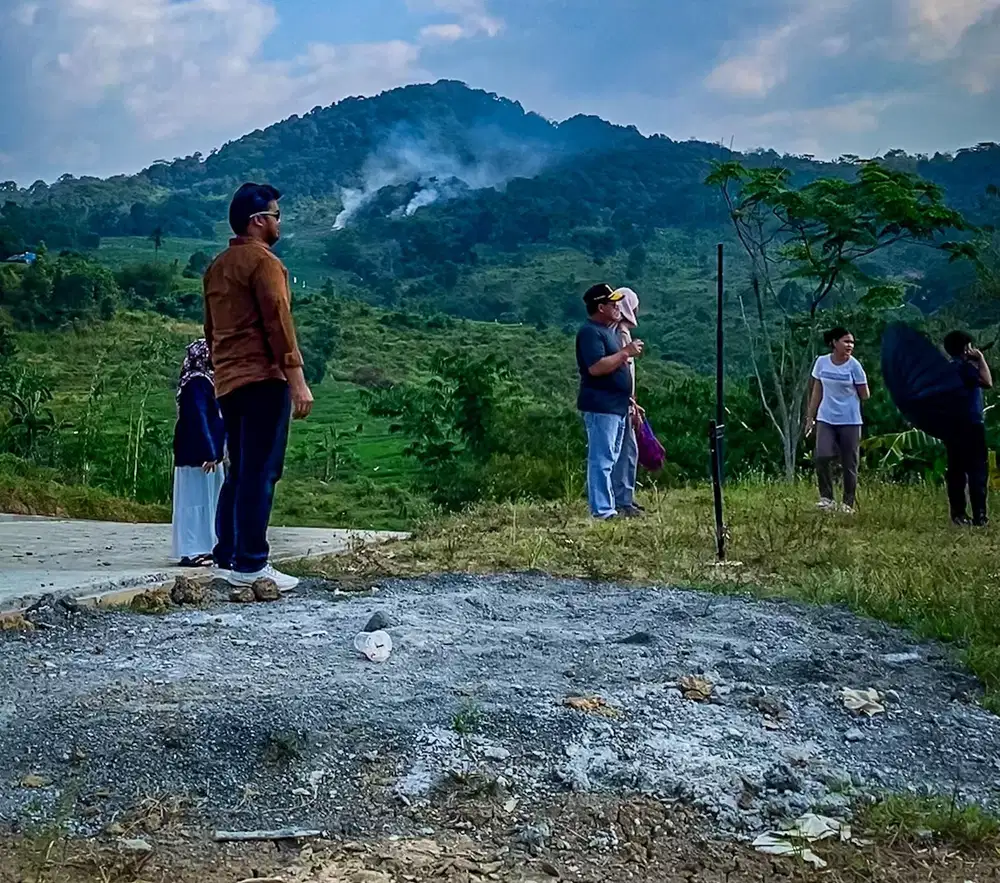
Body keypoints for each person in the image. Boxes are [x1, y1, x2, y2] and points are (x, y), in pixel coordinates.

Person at [203, 182, 314, 591]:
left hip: (228, 381)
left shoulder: (217, 266)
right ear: (258, 221)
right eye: (276, 215)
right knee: (261, 471)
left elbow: (210, 330)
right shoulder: (264, 264)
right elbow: (278, 323)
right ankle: (251, 564)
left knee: (240, 470)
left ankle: (227, 555)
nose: (279, 222)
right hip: (264, 378)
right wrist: (297, 380)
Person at [576, 283, 644, 519]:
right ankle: (603, 510)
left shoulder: (606, 331)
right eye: (612, 303)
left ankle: (610, 505)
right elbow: (596, 367)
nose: (618, 307)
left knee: (612, 457)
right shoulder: (590, 333)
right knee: (602, 459)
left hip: (616, 405)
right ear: (601, 307)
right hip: (601, 406)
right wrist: (625, 352)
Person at [171, 338, 226, 567]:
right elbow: (199, 418)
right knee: (196, 500)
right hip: (198, 454)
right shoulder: (196, 384)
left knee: (206, 499)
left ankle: (205, 547)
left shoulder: (204, 382)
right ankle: (193, 550)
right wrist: (210, 451)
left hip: (203, 452)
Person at [805, 327, 870, 513]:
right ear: (834, 342)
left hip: (850, 420)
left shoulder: (855, 366)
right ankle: (826, 498)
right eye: (846, 341)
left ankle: (848, 503)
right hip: (826, 417)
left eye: (852, 342)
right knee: (822, 455)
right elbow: (817, 391)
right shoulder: (822, 362)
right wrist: (811, 417)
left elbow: (865, 394)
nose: (850, 345)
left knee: (849, 461)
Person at [943, 330, 992, 526]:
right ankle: (980, 514)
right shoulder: (966, 369)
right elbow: (987, 382)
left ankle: (958, 514)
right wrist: (980, 359)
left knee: (956, 471)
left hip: (952, 425)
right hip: (971, 424)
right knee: (977, 471)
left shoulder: (945, 370)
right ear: (966, 349)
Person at [610, 287, 646, 516]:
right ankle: (621, 501)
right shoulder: (619, 335)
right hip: (620, 402)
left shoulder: (619, 332)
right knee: (624, 451)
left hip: (624, 400)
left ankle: (625, 498)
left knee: (628, 450)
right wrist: (629, 402)